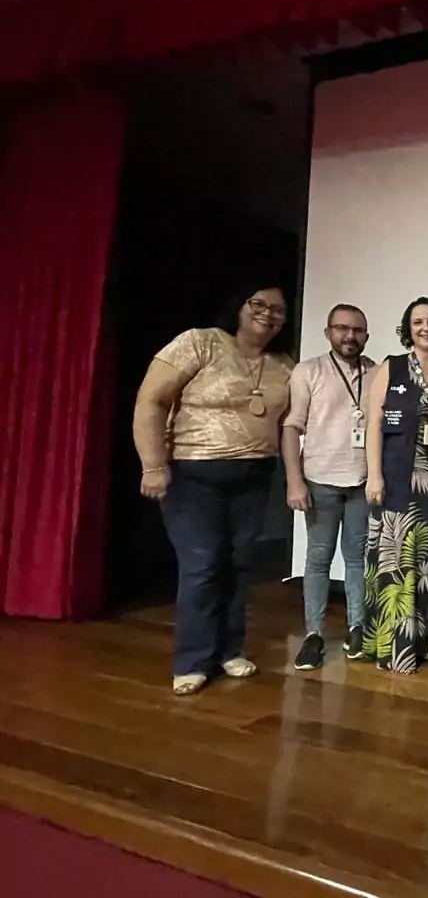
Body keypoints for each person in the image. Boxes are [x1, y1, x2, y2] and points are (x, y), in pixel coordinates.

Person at [133, 285, 294, 696]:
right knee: (202, 565)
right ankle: (192, 660)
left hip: (255, 476)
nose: (268, 314)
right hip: (191, 476)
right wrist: (153, 465)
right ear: (238, 306)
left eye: (277, 310)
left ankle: (229, 650)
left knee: (240, 565)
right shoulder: (199, 342)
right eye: (258, 304)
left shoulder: (283, 365)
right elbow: (150, 401)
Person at [282, 304, 375, 670]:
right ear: (328, 332)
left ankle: (356, 628)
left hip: (363, 480)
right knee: (318, 559)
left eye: (357, 330)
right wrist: (294, 480)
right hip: (319, 479)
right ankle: (314, 635)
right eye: (342, 328)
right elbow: (291, 427)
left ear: (366, 335)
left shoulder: (376, 372)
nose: (350, 336)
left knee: (356, 559)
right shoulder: (308, 371)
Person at [363, 297, 428, 673]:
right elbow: (373, 424)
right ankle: (396, 648)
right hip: (399, 474)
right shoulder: (392, 367)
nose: (426, 328)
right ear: (408, 328)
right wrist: (374, 474)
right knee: (399, 559)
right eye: (418, 322)